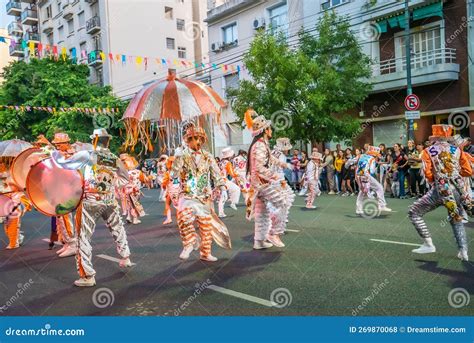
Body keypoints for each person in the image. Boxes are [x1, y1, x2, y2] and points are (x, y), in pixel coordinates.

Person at [52, 128, 132, 287]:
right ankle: (126, 257)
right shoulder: (114, 158)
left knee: (83, 237)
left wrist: (53, 153)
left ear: (94, 141)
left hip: (90, 200)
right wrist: (110, 186)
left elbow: (63, 164)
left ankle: (87, 276)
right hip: (109, 200)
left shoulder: (89, 155)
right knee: (117, 228)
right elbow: (125, 178)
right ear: (107, 141)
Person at [409, 125, 472, 261]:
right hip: (458, 190)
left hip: (440, 190)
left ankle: (428, 244)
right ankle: (463, 251)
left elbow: (428, 173)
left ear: (434, 137)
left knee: (414, 212)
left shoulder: (428, 151)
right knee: (456, 219)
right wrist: (454, 174)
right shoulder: (457, 150)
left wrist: (437, 180)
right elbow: (468, 171)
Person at [170, 125, 230, 262]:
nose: (195, 141)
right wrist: (177, 159)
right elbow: (173, 174)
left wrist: (222, 187)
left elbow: (216, 173)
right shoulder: (182, 155)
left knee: (206, 225)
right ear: (187, 141)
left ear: (202, 140)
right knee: (183, 219)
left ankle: (205, 252)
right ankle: (189, 243)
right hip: (187, 194)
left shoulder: (208, 156)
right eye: (191, 138)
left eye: (197, 138)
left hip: (204, 195)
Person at [245, 109, 294, 249]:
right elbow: (259, 168)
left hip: (258, 184)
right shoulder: (260, 145)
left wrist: (283, 164)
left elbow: (270, 158)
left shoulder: (261, 144)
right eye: (269, 128)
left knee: (262, 213)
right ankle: (274, 233)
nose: (271, 129)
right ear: (265, 130)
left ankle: (258, 241)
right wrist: (275, 176)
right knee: (283, 202)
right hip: (262, 183)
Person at [51, 132, 77, 258]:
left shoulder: (72, 154)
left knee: (65, 217)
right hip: (60, 188)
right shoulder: (61, 154)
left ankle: (72, 243)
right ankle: (66, 242)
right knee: (60, 218)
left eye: (59, 144)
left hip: (67, 190)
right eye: (55, 144)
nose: (57, 147)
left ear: (66, 143)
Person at [348, 146, 392, 216]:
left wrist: (347, 164)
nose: (378, 156)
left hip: (358, 175)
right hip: (366, 176)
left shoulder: (361, 155)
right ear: (374, 154)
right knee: (379, 187)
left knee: (362, 192)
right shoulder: (372, 159)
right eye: (377, 154)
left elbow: (351, 161)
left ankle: (359, 209)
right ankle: (382, 205)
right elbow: (371, 171)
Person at [217, 147, 241, 218]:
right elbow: (232, 173)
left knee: (223, 197)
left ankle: (222, 212)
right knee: (235, 189)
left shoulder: (220, 162)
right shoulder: (228, 163)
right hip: (223, 181)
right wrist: (237, 175)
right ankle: (233, 202)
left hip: (220, 180)